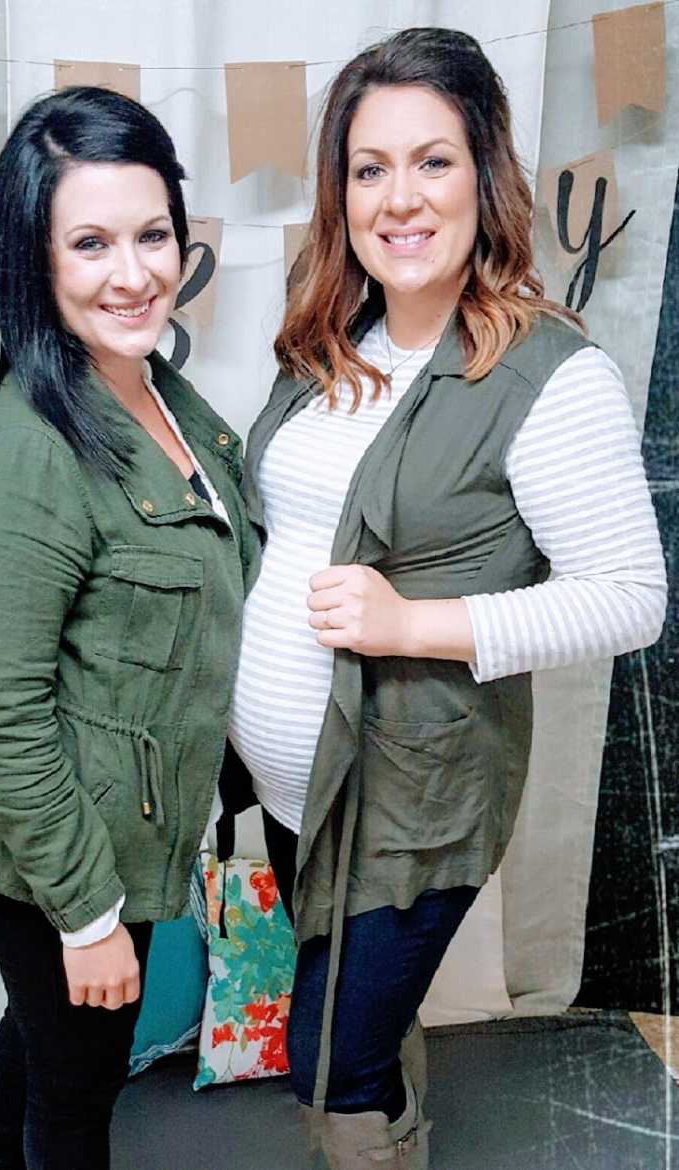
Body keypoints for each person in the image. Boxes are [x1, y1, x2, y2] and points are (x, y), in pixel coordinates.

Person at [227, 27, 666, 1169]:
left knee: (331, 1059)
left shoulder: (549, 375)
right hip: (298, 791)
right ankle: (396, 1127)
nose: (400, 198)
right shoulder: (330, 341)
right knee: (363, 1035)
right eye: (370, 168)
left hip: (410, 804)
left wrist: (411, 624)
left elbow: (631, 599)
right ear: (341, 191)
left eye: (433, 161)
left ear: (486, 174)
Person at [0, 86, 257, 1170]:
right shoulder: (23, 448)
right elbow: (0, 718)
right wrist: (84, 919)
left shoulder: (163, 390)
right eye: (90, 243)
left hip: (126, 836)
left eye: (152, 234)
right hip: (61, 863)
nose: (134, 274)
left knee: (42, 1052)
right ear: (35, 259)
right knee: (77, 1101)